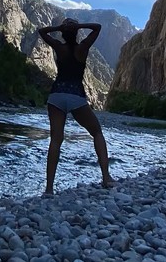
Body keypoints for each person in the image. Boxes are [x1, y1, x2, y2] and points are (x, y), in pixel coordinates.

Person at [38, 18, 115, 194]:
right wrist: (77, 26)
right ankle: (106, 177)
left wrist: (61, 27)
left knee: (56, 140)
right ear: (76, 32)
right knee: (96, 132)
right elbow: (98, 27)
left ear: (64, 33)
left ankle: (49, 189)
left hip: (56, 95)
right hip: (76, 96)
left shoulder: (59, 47)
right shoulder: (83, 48)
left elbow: (41, 32)